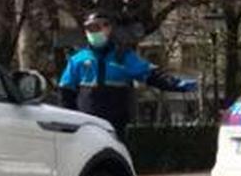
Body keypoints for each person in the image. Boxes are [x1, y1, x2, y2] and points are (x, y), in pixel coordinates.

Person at [59, 12, 197, 136]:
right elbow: (66, 93)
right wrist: (70, 122)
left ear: (109, 29)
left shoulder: (123, 57)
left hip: (115, 124)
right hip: (86, 125)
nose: (93, 33)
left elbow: (151, 75)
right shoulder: (77, 59)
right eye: (89, 29)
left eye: (98, 28)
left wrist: (177, 84)